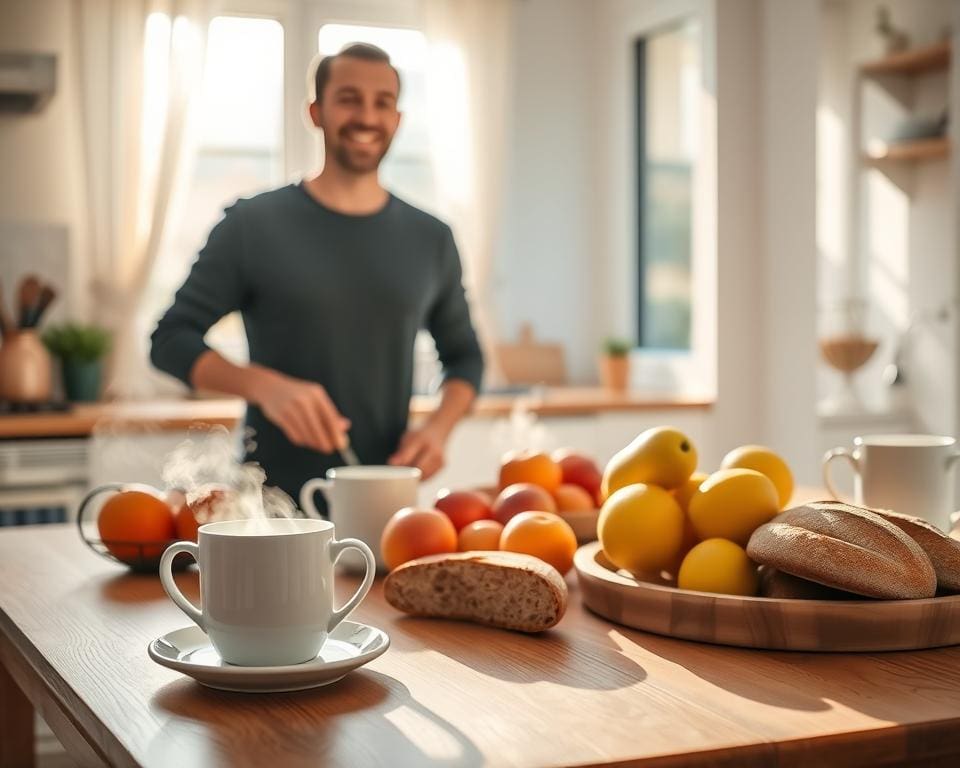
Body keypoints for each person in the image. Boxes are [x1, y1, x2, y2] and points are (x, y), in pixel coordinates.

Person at [150, 43, 483, 507]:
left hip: (383, 502)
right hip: (267, 506)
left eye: (382, 102)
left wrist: (438, 429)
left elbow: (466, 357)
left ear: (397, 119)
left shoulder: (431, 238)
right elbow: (169, 340)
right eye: (349, 98)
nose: (367, 116)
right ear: (316, 111)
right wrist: (264, 386)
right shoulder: (252, 224)